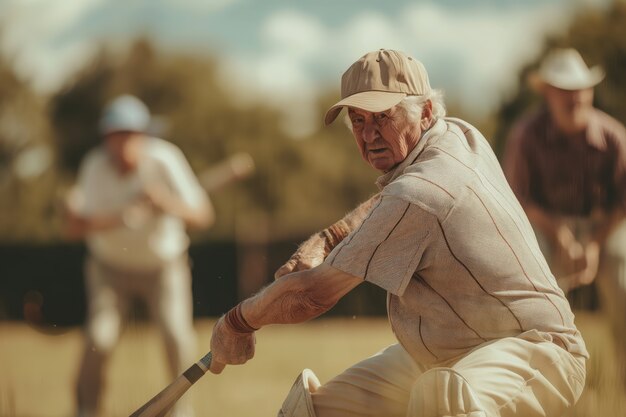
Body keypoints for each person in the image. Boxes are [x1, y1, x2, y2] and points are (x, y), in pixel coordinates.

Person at [208, 49, 587, 417]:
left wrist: (238, 323)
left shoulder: (424, 191)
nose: (368, 134)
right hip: (444, 352)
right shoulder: (456, 134)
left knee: (445, 401)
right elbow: (392, 200)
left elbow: (312, 295)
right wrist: (330, 237)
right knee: (309, 412)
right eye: (357, 120)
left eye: (382, 117)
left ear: (424, 111)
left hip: (536, 352)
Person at [64, 95, 214, 417]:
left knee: (177, 336)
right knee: (99, 338)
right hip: (109, 269)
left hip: (164, 268)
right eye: (115, 137)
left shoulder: (166, 160)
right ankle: (85, 409)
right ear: (106, 138)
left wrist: (164, 203)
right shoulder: (94, 165)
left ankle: (180, 411)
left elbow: (203, 215)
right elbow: (76, 227)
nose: (121, 145)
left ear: (143, 136)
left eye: (129, 135)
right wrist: (121, 216)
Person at [502, 48, 626, 348]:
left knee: (622, 269)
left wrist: (595, 243)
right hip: (543, 226)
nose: (575, 98)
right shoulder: (525, 136)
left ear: (590, 91)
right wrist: (559, 234)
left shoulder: (614, 136)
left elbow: (623, 203)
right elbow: (516, 199)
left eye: (581, 89)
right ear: (548, 94)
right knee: (531, 278)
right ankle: (542, 362)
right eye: (565, 90)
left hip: (604, 227)